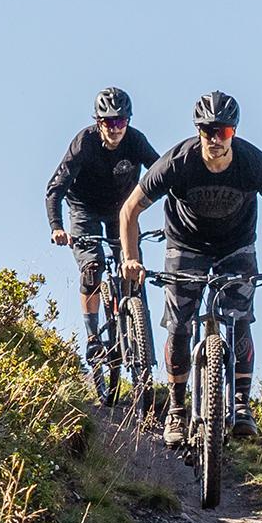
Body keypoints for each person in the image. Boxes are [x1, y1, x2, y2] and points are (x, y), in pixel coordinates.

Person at [119, 91, 262, 443]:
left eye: (223, 132)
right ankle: (176, 411)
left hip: (236, 248)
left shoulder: (251, 163)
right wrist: (131, 258)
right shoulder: (178, 161)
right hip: (185, 245)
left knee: (238, 319)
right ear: (198, 131)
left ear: (233, 133)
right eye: (208, 131)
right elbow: (130, 210)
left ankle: (240, 405)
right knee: (179, 325)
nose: (215, 139)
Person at [45, 87, 160, 372]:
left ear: (128, 122)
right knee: (93, 267)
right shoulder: (84, 143)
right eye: (109, 122)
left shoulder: (135, 141)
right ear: (99, 122)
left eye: (121, 121)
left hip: (121, 211)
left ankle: (140, 334)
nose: (115, 128)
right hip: (84, 209)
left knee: (133, 267)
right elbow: (54, 189)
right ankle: (94, 335)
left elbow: (161, 173)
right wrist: (57, 227)